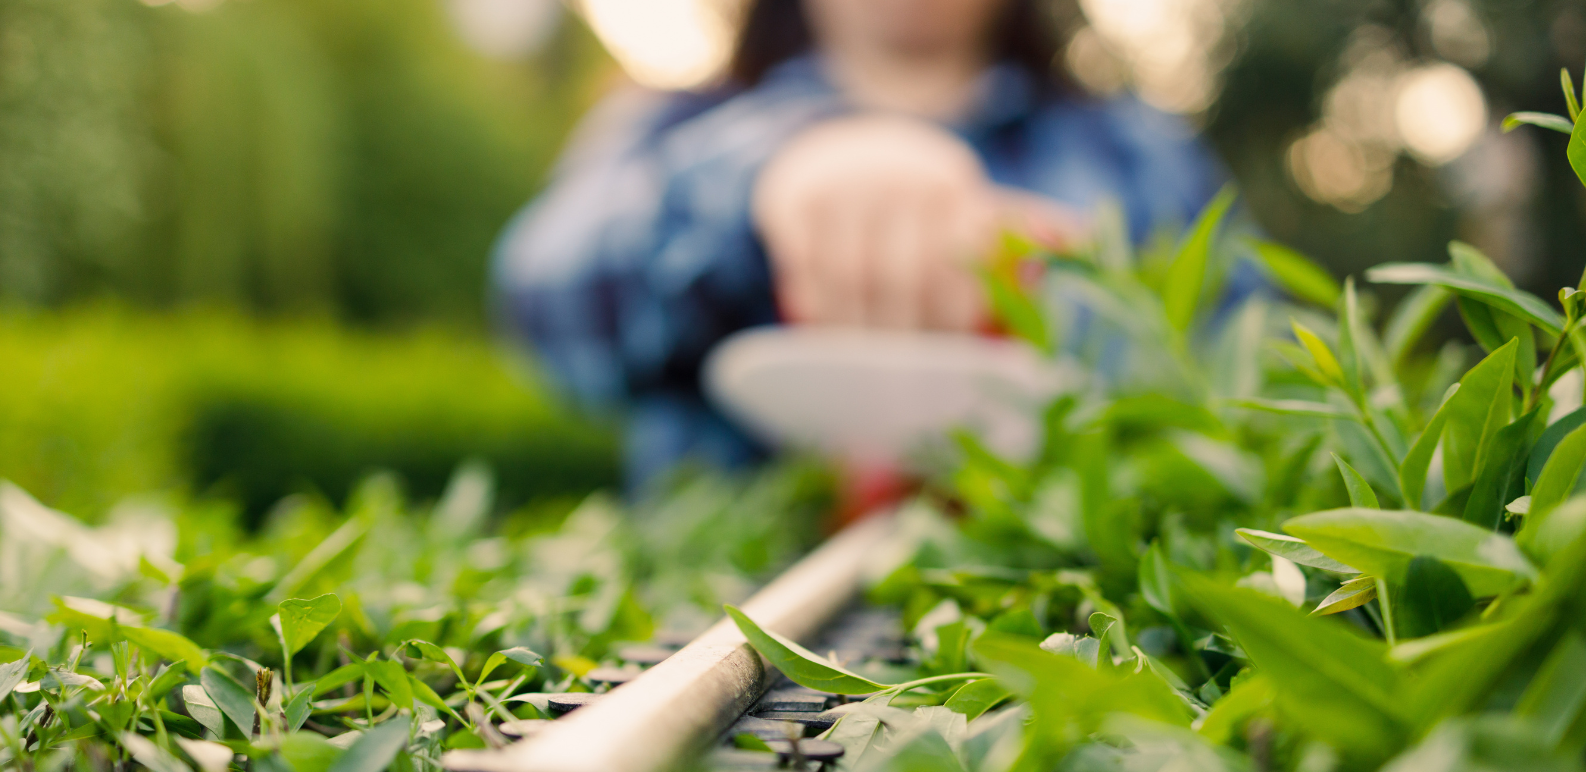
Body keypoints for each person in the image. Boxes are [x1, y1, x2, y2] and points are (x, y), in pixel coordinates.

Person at [491, 0, 1228, 489]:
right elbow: (537, 299)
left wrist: (1077, 297)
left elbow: (1253, 381)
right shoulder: (671, 126)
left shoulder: (1138, 154)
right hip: (717, 640)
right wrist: (761, 187)